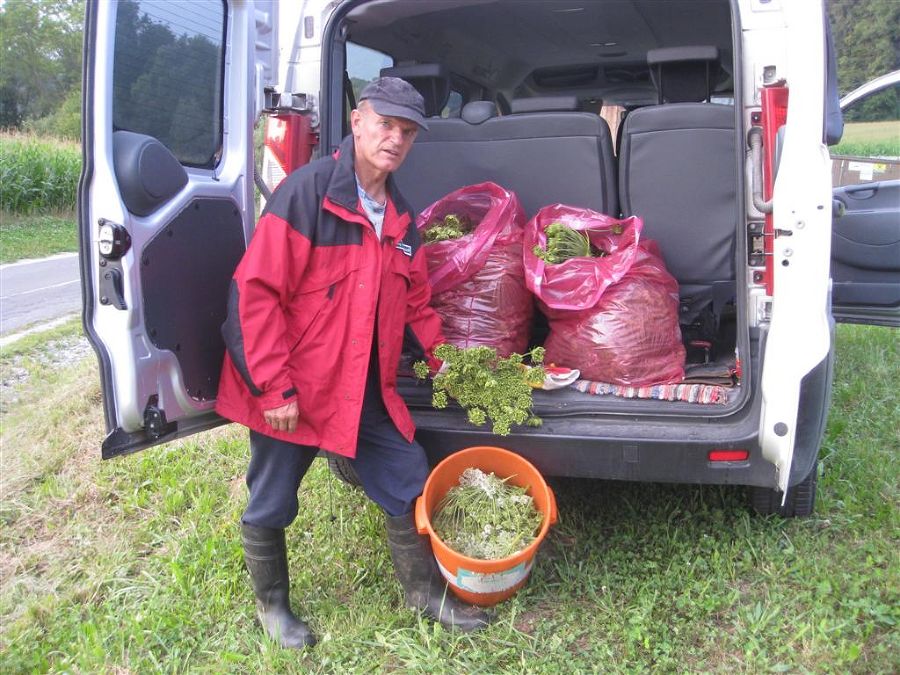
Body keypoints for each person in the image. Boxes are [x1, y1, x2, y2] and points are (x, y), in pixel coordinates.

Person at [215, 77, 490, 649]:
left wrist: (449, 365)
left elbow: (413, 303)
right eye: (385, 124)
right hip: (292, 387)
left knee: (407, 475)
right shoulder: (307, 193)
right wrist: (273, 389)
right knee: (272, 495)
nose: (395, 139)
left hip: (363, 387)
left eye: (407, 132)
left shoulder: (402, 219)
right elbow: (255, 294)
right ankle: (274, 608)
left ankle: (422, 593)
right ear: (357, 121)